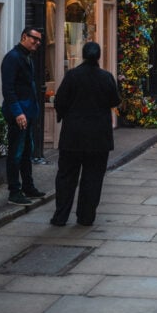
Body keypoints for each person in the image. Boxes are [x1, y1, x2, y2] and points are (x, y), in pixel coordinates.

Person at [50, 40, 120, 227]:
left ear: (82, 54)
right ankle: (86, 216)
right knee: (93, 178)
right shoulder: (106, 77)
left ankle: (60, 216)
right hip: (98, 137)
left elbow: (60, 102)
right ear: (99, 56)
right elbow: (115, 100)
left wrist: (66, 115)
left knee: (66, 176)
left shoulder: (72, 76)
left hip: (73, 135)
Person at [1, 27, 45, 205]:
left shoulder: (26, 57)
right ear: (24, 37)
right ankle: (14, 191)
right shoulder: (13, 58)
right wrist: (18, 112)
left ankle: (28, 186)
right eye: (34, 39)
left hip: (28, 112)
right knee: (16, 153)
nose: (37, 43)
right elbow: (8, 89)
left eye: (39, 40)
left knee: (26, 151)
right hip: (19, 113)